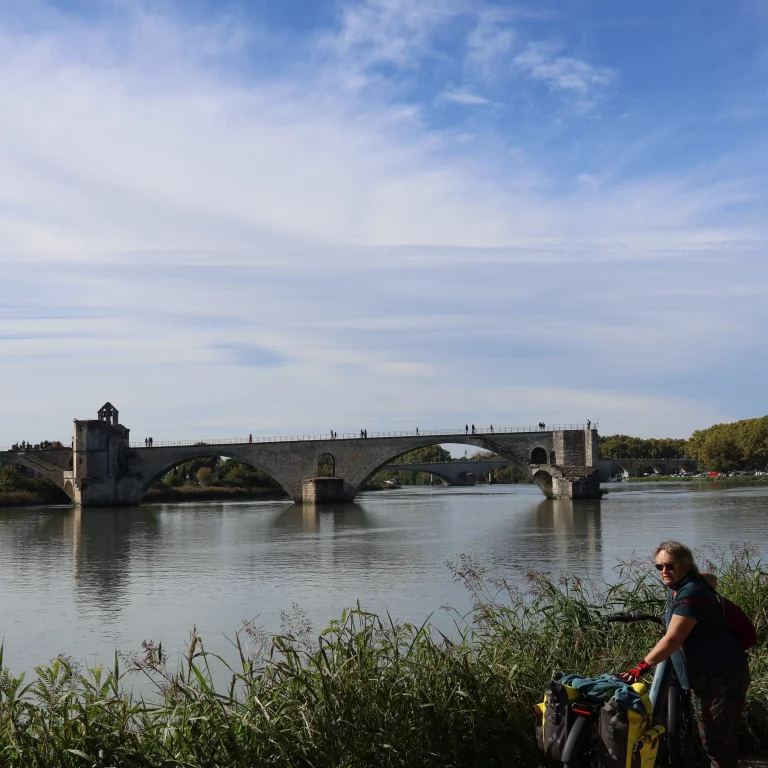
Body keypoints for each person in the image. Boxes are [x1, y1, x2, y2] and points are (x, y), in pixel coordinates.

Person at [621, 541, 749, 768]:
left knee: (716, 744)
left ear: (686, 564)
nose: (664, 572)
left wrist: (641, 667)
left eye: (669, 565)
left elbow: (672, 639)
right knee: (719, 739)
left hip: (717, 678)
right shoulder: (692, 583)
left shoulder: (691, 594)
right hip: (718, 673)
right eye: (659, 567)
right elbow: (711, 577)